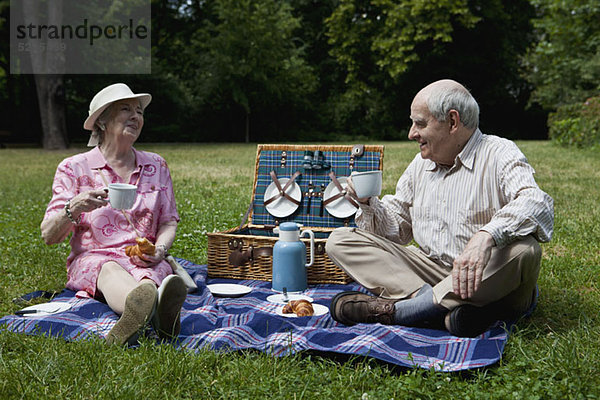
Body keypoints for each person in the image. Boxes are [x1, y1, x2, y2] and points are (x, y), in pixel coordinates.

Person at [326, 79, 554, 337]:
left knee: (525, 250)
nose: (411, 134)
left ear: (453, 122)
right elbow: (396, 230)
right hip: (430, 273)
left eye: (420, 123)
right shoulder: (419, 165)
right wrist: (367, 204)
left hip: (488, 278)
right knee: (340, 240)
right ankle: (445, 311)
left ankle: (404, 312)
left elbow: (537, 202)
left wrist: (486, 236)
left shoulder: (499, 152)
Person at [41, 83, 187, 345]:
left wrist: (159, 250)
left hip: (144, 259)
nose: (136, 116)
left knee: (152, 274)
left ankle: (146, 309)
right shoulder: (74, 167)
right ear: (102, 122)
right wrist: (74, 206)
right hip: (94, 259)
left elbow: (168, 221)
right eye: (125, 109)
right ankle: (155, 314)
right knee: (108, 269)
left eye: (139, 111)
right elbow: (49, 236)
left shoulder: (156, 164)